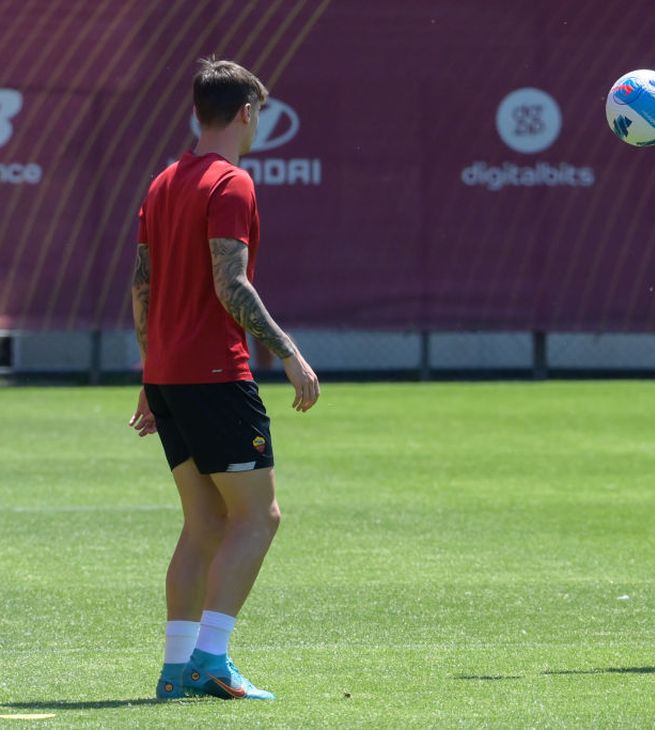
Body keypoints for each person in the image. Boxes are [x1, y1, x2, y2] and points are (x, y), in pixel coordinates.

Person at [128, 57, 320, 700]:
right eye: (259, 112)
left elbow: (142, 289)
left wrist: (149, 372)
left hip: (169, 378)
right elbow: (230, 281)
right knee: (259, 517)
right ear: (245, 112)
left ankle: (174, 671)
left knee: (204, 525)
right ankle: (210, 659)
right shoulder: (230, 182)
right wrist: (288, 351)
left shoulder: (161, 183)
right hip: (214, 374)